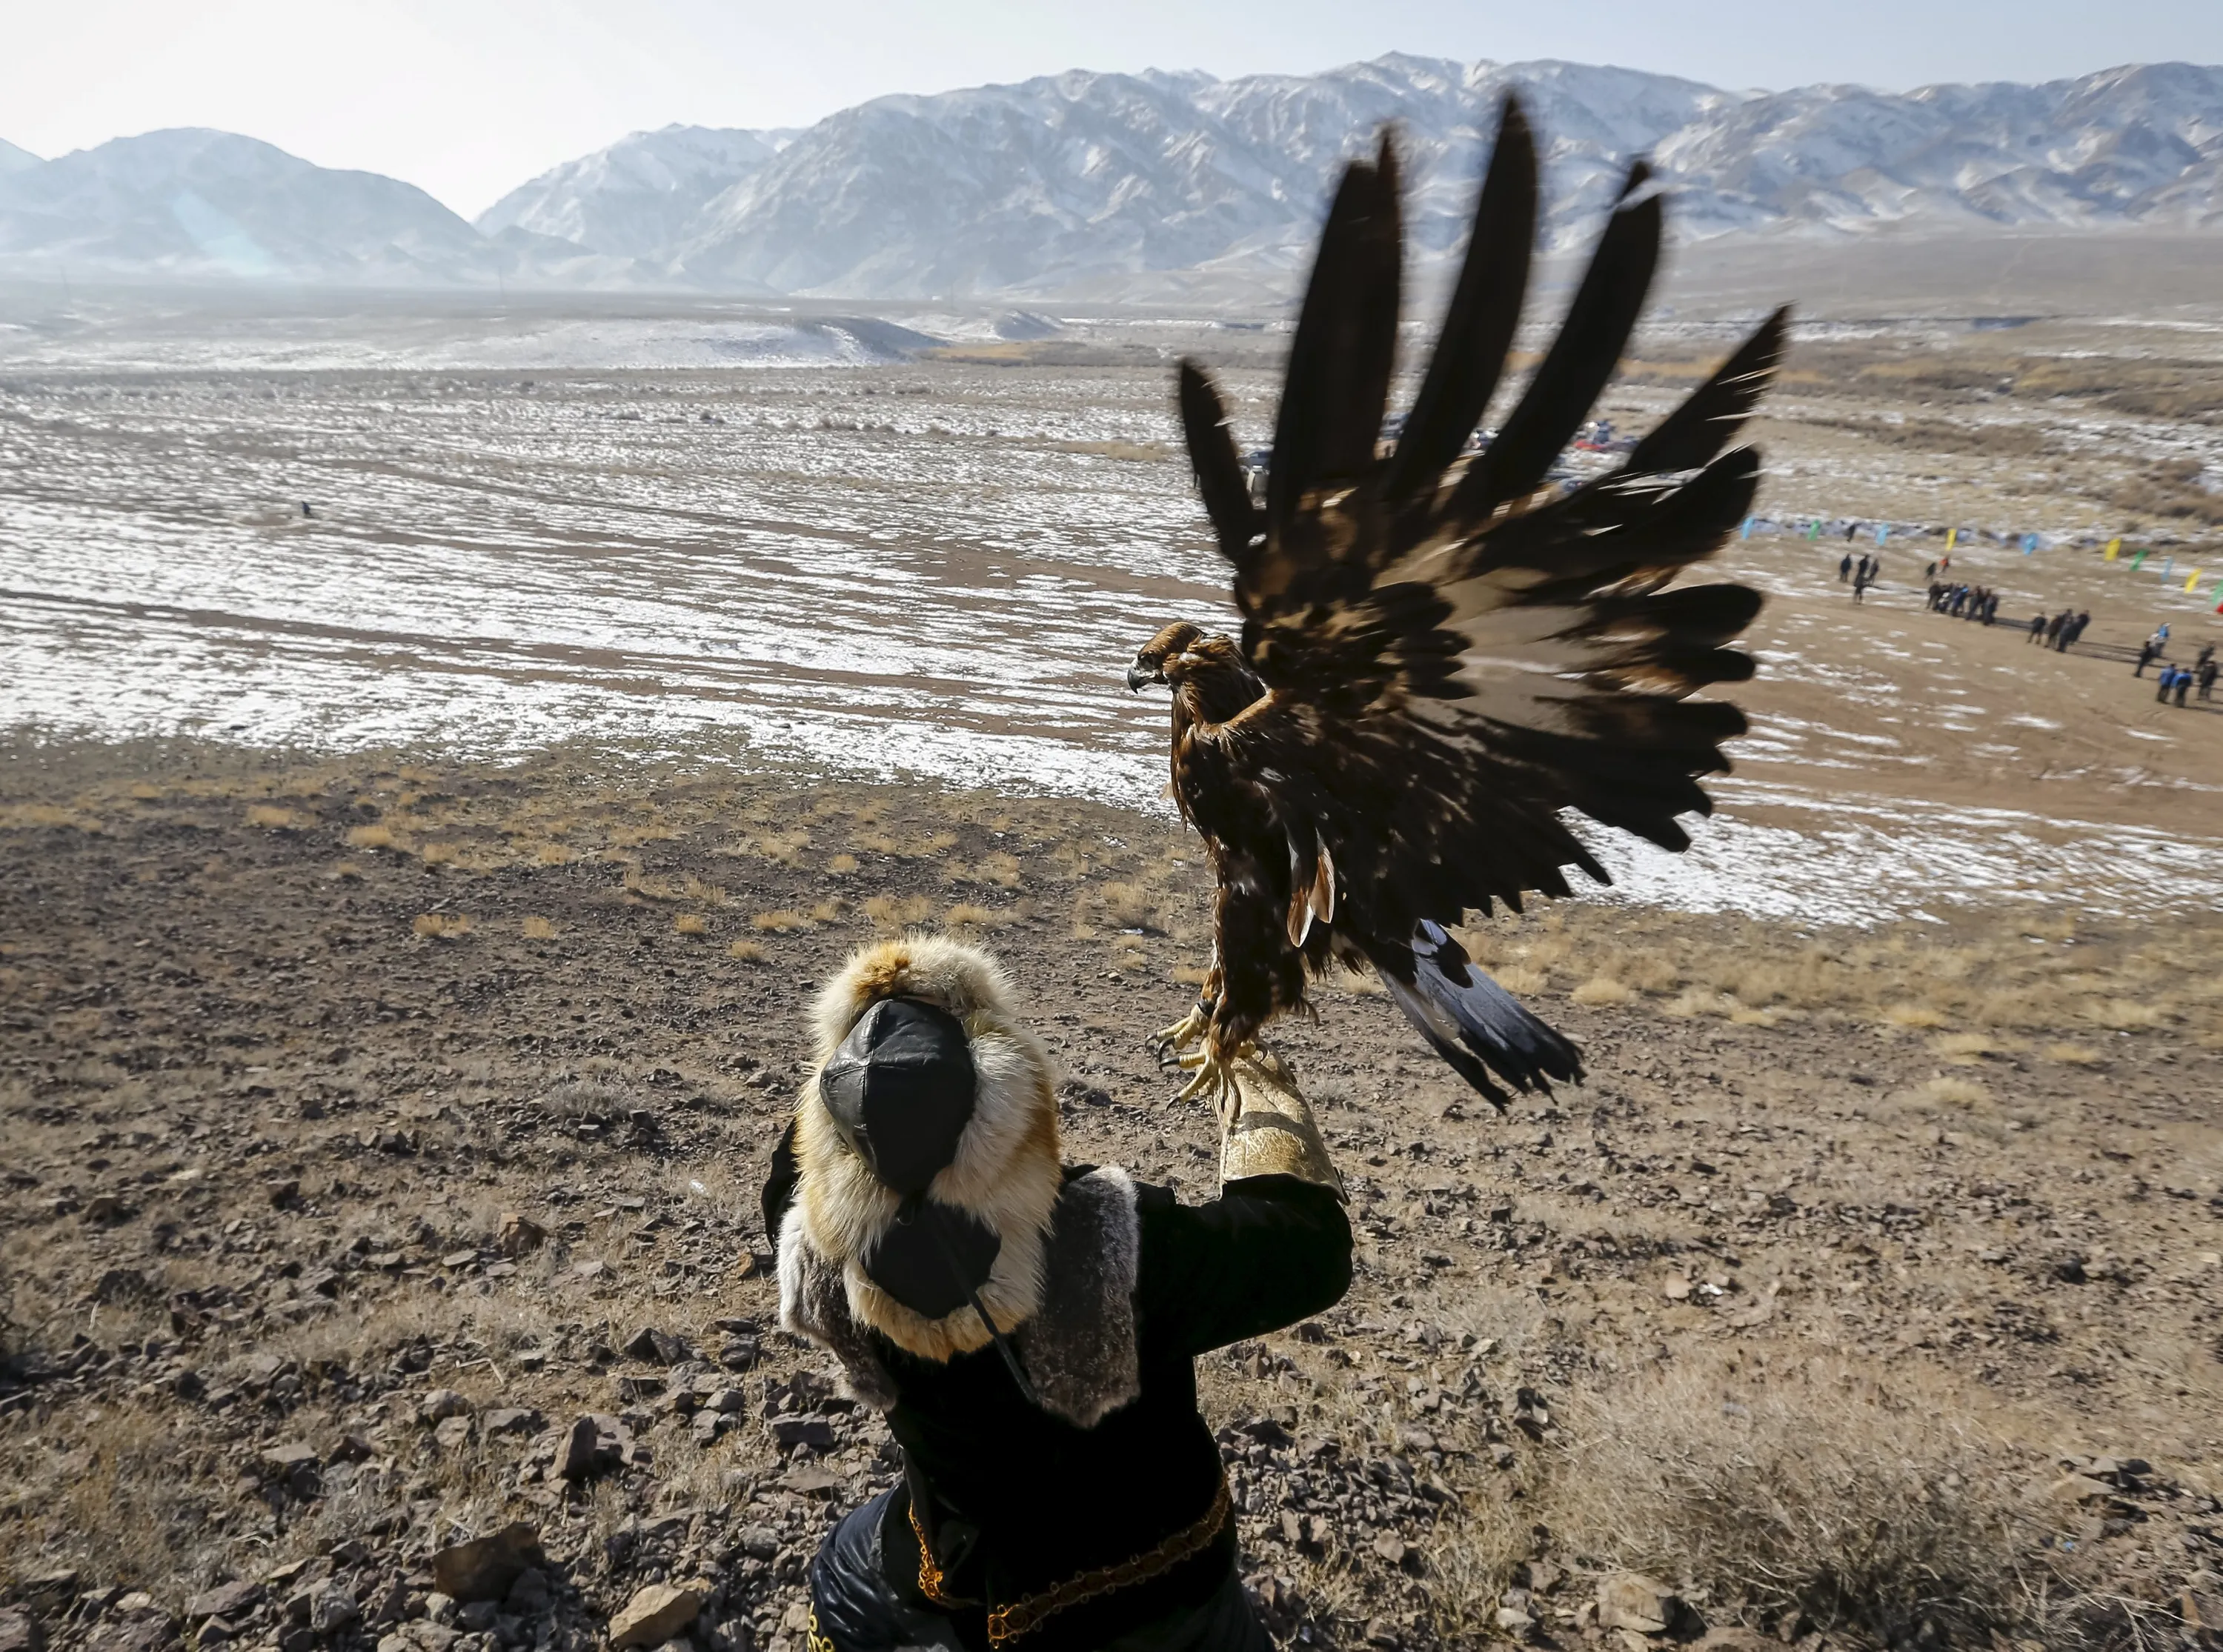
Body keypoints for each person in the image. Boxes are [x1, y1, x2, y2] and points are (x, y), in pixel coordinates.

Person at [771, 937, 1353, 1652]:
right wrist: (1253, 1072)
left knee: (845, 1573)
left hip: (961, 1572)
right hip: (1152, 1585)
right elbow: (1310, 1248)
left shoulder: (820, 1247)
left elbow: (797, 1164)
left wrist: (866, 1068)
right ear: (1006, 1096)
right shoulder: (1102, 1241)